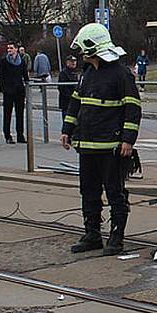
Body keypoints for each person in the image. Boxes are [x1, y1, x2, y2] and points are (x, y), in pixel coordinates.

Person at [60, 23, 141, 256]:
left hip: (111, 147)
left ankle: (116, 238)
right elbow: (76, 103)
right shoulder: (87, 74)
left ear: (93, 47)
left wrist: (128, 140)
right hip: (87, 145)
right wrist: (67, 129)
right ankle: (92, 235)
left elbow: (133, 108)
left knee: (115, 192)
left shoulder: (120, 74)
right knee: (88, 190)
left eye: (84, 49)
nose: (81, 54)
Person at [0, 43, 29, 144]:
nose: (9, 50)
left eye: (11, 48)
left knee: (20, 114)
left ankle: (20, 135)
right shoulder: (4, 61)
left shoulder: (21, 61)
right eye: (8, 48)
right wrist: (3, 89)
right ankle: (7, 135)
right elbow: (0, 76)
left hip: (19, 91)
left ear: (16, 49)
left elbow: (25, 75)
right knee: (7, 114)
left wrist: (27, 85)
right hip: (8, 91)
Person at [58, 54, 79, 120]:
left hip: (73, 102)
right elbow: (62, 88)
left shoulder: (74, 73)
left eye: (75, 61)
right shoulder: (64, 73)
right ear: (67, 62)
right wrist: (71, 97)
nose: (74, 63)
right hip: (66, 102)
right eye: (72, 61)